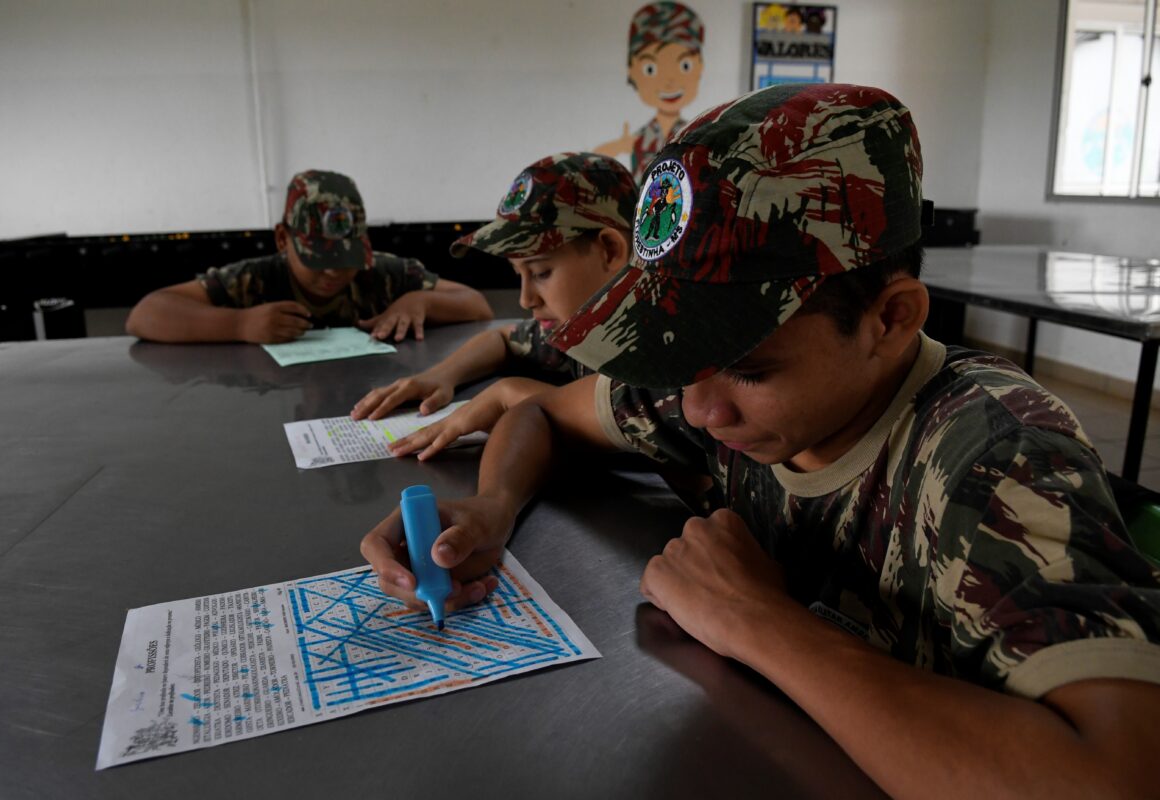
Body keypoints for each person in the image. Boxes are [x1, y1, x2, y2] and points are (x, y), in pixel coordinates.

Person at [361, 84, 1160, 798]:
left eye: (746, 369)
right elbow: (537, 414)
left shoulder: (998, 458)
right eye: (681, 364)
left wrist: (757, 622)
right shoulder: (707, 390)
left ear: (891, 319)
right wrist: (493, 507)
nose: (700, 409)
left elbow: (1116, 773)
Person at [349, 152, 635, 461]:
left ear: (609, 250)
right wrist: (441, 376)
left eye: (540, 273)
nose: (526, 300)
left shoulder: (660, 337)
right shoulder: (580, 328)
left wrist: (513, 395)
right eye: (518, 275)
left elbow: (635, 417)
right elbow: (502, 338)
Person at [125, 170, 492, 344]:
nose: (334, 270)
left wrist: (421, 300)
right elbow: (145, 314)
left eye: (346, 257)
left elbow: (477, 306)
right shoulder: (257, 279)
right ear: (283, 239)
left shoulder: (383, 273)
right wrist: (239, 325)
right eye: (318, 258)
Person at [595, 2, 705, 183]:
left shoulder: (695, 135)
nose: (669, 82)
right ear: (631, 69)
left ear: (700, 65)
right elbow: (595, 161)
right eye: (650, 69)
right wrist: (620, 146)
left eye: (684, 65)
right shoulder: (639, 139)